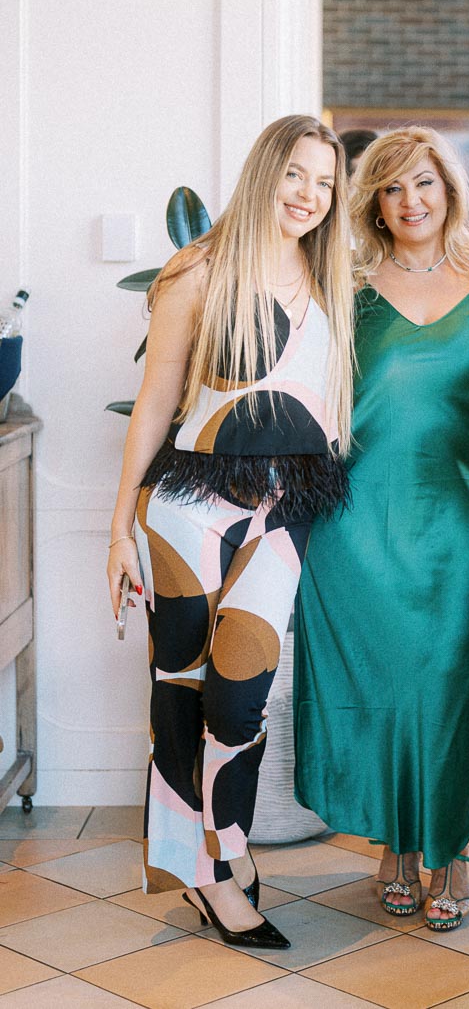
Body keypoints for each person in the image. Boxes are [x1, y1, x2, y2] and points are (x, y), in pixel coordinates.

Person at [106, 115, 354, 951]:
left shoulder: (330, 279)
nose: (308, 196)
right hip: (187, 506)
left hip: (287, 508)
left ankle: (223, 847)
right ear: (264, 173)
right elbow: (154, 406)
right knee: (179, 683)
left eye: (324, 183)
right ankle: (215, 872)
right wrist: (116, 534)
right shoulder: (200, 271)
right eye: (295, 175)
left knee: (241, 694)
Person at [293, 127, 469, 933]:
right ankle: (394, 846)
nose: (410, 202)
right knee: (382, 686)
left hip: (461, 518)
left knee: (449, 691)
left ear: (450, 189)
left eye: (424, 184)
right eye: (391, 188)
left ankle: (449, 850)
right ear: (373, 199)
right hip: (355, 519)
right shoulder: (344, 281)